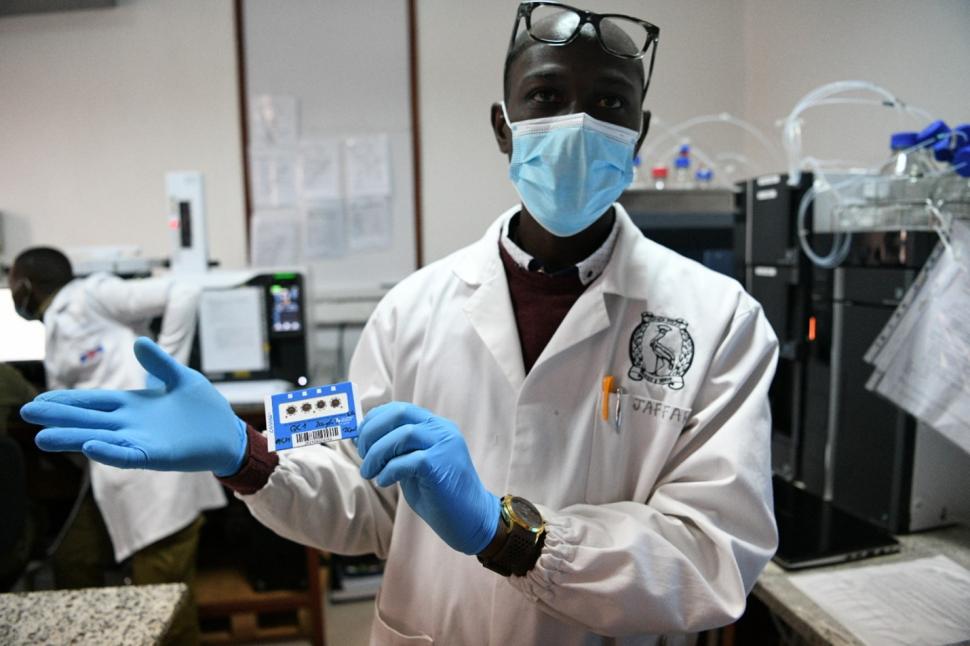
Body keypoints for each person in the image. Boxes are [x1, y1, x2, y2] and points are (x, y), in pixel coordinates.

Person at [23, 4, 779, 644]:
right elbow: (363, 505)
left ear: (640, 133)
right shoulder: (413, 309)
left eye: (609, 103)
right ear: (502, 125)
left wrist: (506, 533)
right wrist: (246, 456)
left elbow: (711, 555)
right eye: (546, 97)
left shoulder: (718, 323)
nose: (577, 123)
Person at [11, 246, 225, 644]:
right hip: (108, 471)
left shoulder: (92, 295)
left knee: (162, 604)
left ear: (24, 284)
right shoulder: (55, 327)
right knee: (73, 559)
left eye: (10, 284)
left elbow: (183, 292)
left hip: (155, 471)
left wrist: (167, 377)